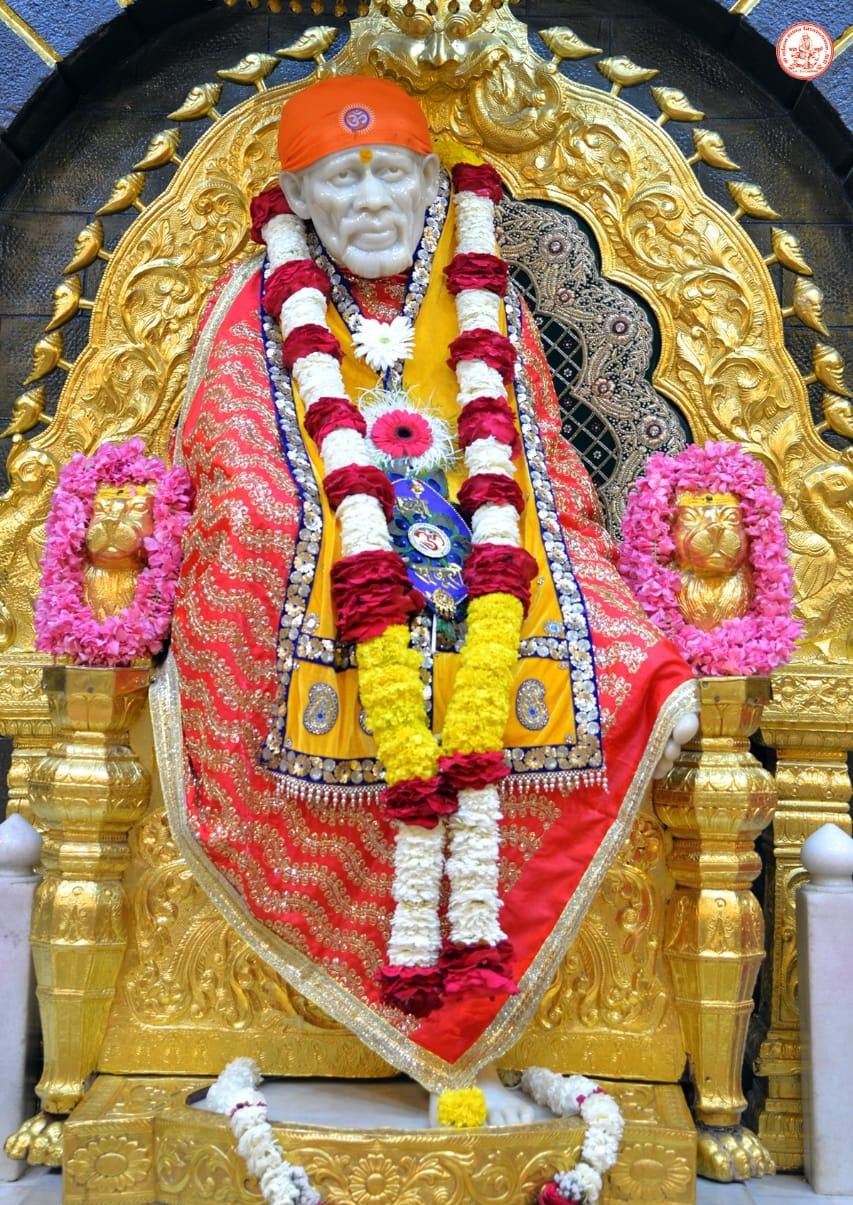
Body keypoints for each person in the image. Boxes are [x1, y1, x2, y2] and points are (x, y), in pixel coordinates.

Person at [156, 75, 698, 1121]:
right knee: (263, 535)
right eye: (340, 180)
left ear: (428, 186)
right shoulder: (253, 301)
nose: (368, 202)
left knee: (598, 623)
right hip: (325, 561)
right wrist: (339, 535)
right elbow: (235, 462)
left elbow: (542, 466)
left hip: (492, 559)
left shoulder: (487, 304)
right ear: (298, 198)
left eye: (389, 175)